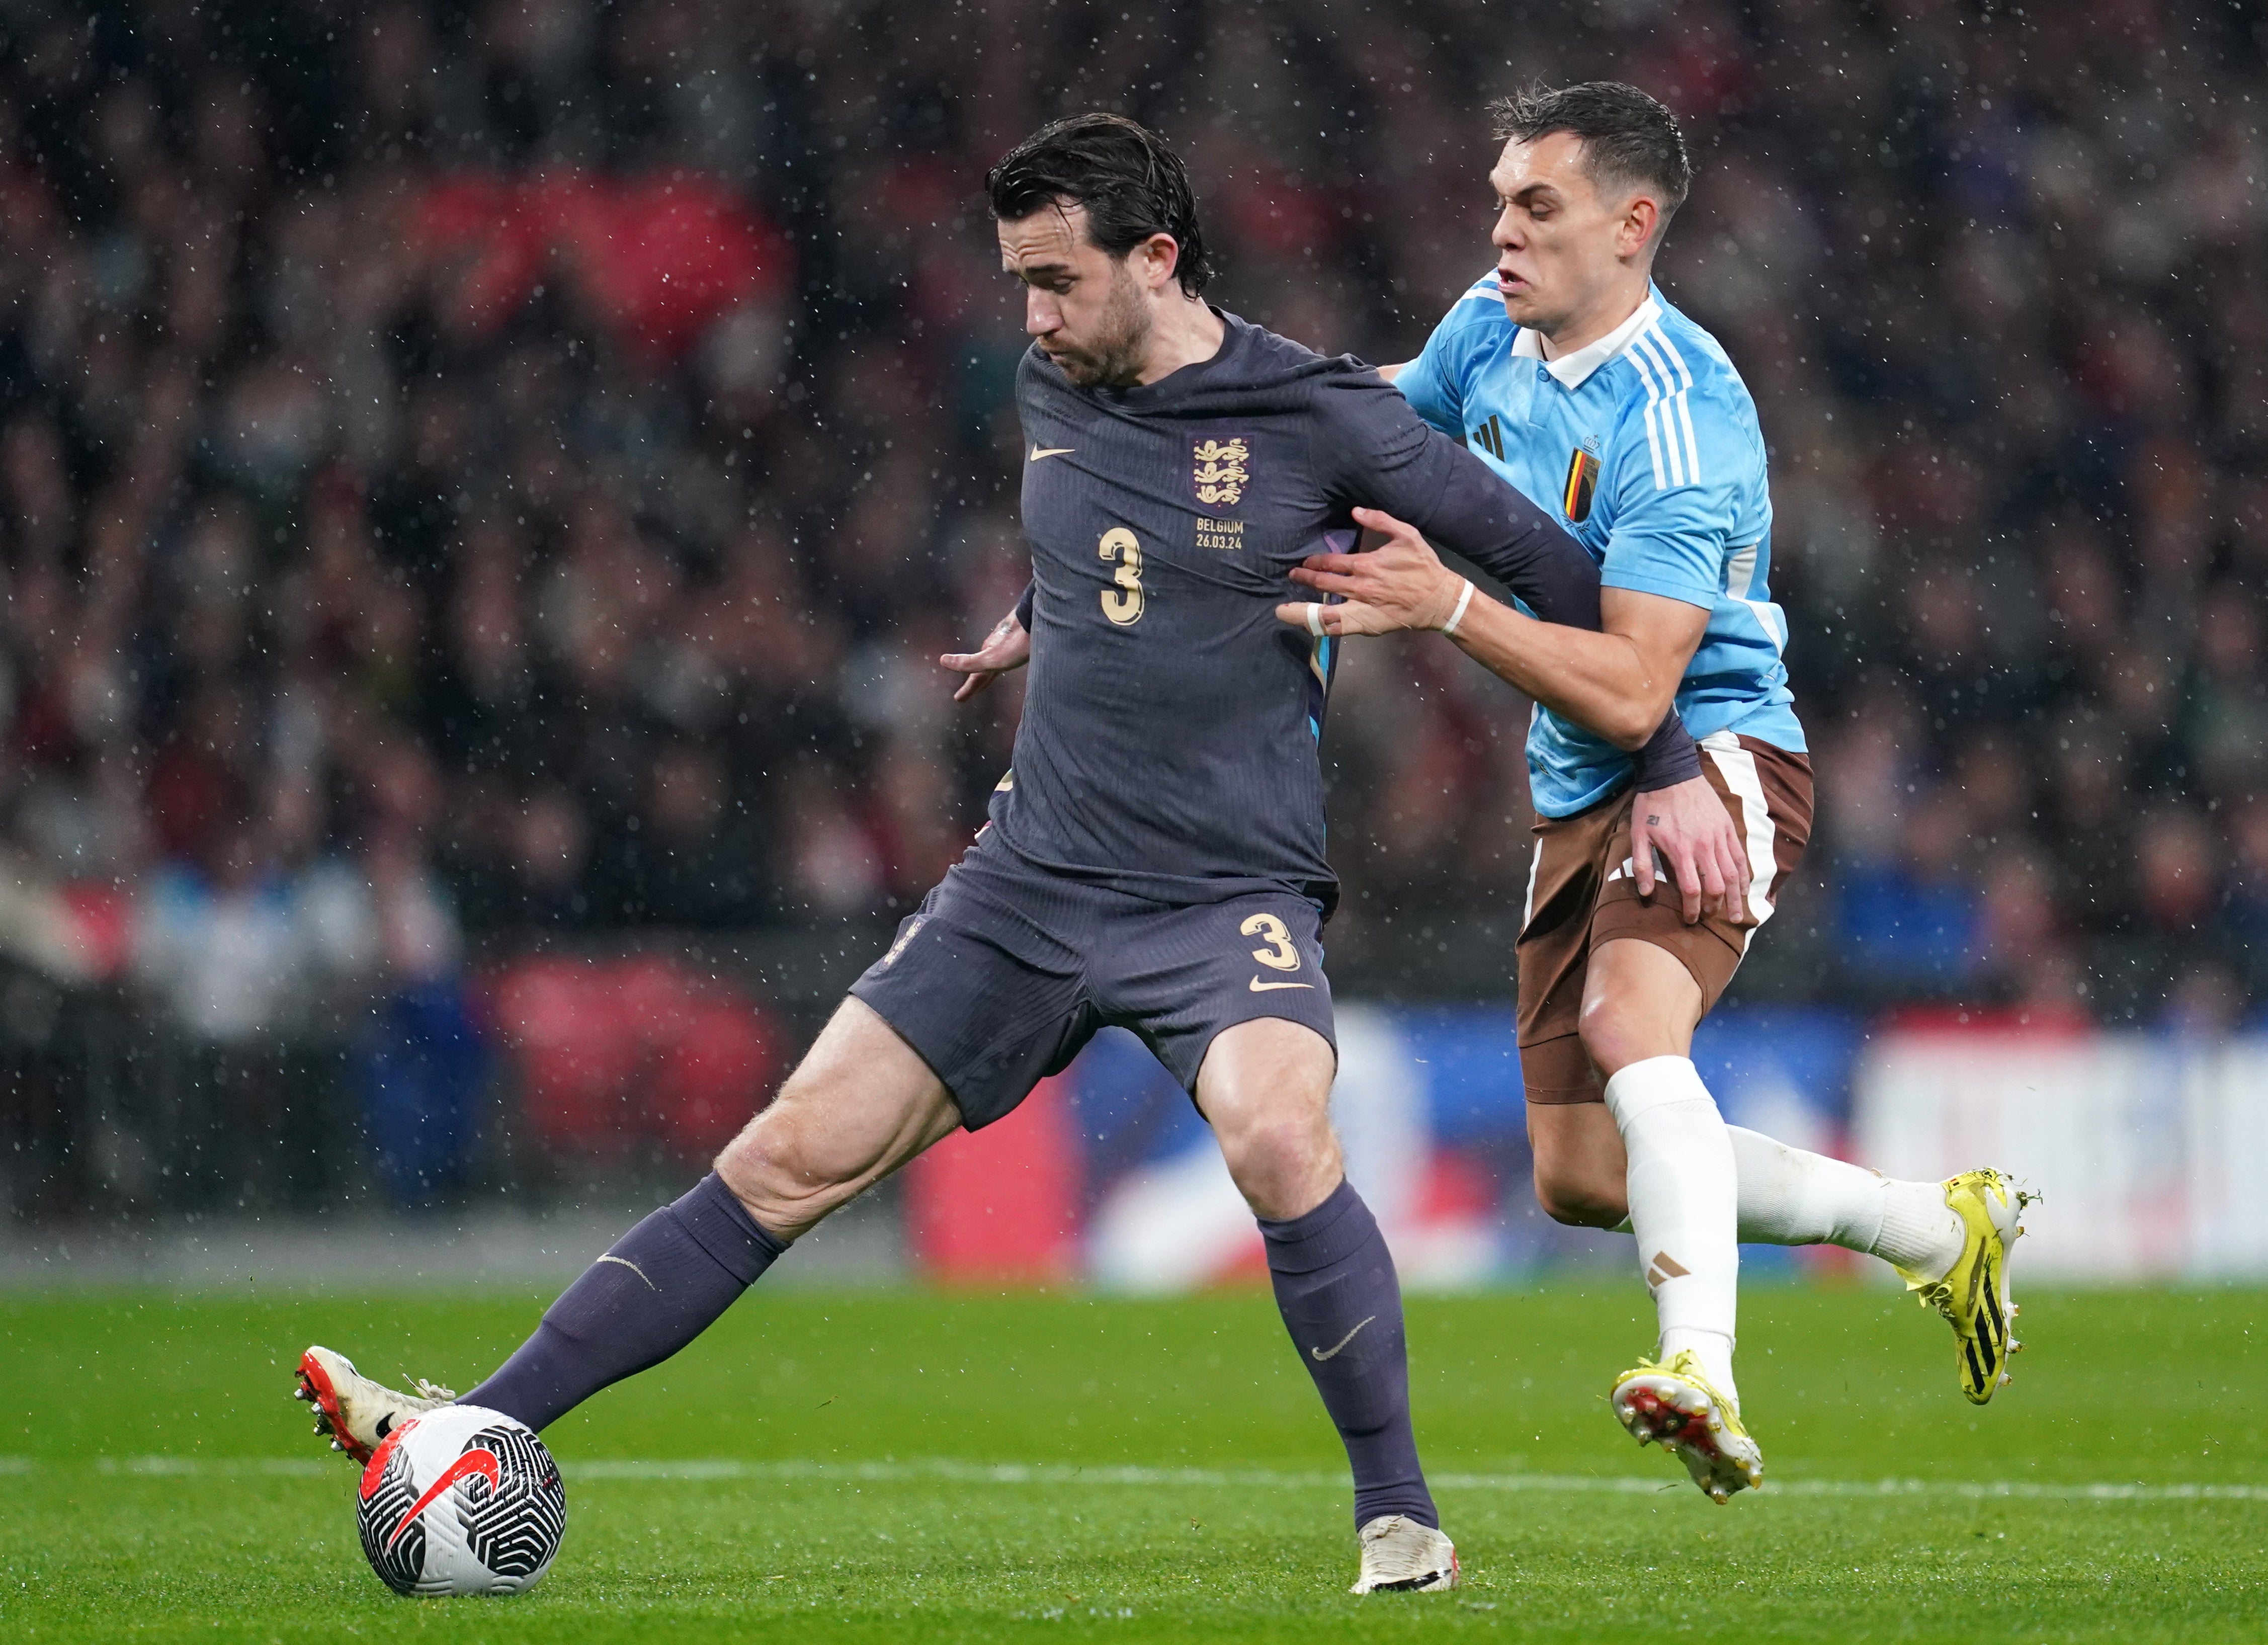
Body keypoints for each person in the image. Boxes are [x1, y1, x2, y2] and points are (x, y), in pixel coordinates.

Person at [290, 112, 1733, 1594]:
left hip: (1222, 894)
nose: (1031, 317)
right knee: (785, 1158)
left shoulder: (1323, 416)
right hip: (1029, 883)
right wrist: (1040, 625)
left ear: (1157, 259)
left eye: (1055, 279)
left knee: (1281, 1134)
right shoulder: (1059, 378)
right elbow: (1119, 544)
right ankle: (468, 1424)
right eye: (1018, 281)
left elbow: (1559, 574)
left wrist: (1670, 764)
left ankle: (1401, 1520)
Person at [1275, 83, 2032, 1504]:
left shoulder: (1687, 426)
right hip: (1578, 782)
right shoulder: (1487, 329)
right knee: (1578, 1175)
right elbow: (1381, 420)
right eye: (1500, 199)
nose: (1501, 230)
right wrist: (1243, 420)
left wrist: (1445, 607)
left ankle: (1703, 1371)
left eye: (1537, 206)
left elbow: (1636, 689)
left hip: (1716, 754)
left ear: (1633, 228)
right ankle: (1937, 1232)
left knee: (1634, 1026)